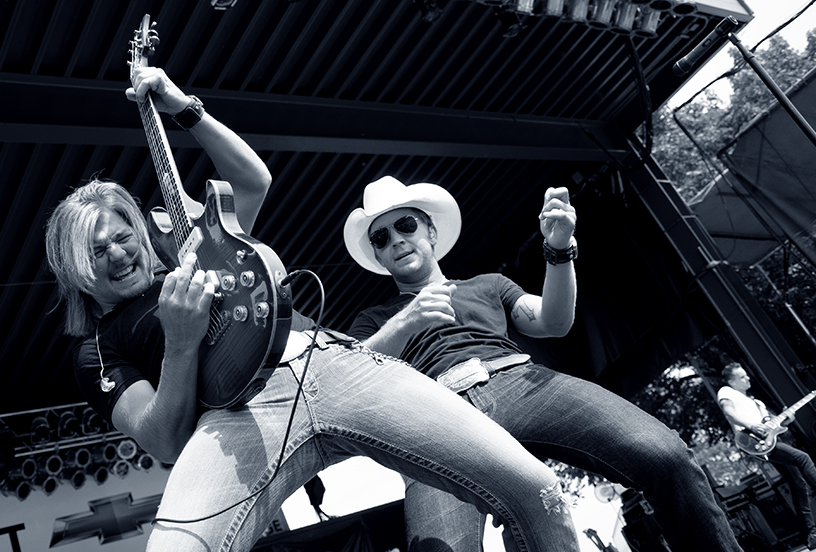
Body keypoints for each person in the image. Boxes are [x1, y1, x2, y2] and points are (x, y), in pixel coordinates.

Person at [44, 68, 581, 552]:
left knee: (538, 489)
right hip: (235, 420)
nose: (119, 253)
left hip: (327, 360)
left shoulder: (179, 246)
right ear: (74, 269)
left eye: (122, 237)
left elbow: (253, 181)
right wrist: (180, 345)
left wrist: (184, 107)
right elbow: (161, 438)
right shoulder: (95, 348)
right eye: (97, 250)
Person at [344, 175, 744, 552]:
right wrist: (405, 321)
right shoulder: (374, 319)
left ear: (430, 231)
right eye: (382, 237)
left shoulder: (488, 284)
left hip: (517, 380)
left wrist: (559, 251)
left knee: (665, 453)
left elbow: (554, 321)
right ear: (378, 255)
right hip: (436, 418)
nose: (396, 239)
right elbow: (354, 379)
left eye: (406, 225)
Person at [719, 362, 816, 549]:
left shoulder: (758, 403)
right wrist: (752, 425)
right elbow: (729, 412)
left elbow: (773, 424)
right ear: (732, 381)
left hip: (770, 440)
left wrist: (787, 418)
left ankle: (811, 535)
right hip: (752, 440)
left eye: (746, 375)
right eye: (742, 376)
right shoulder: (726, 392)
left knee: (798, 484)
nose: (747, 378)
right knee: (803, 458)